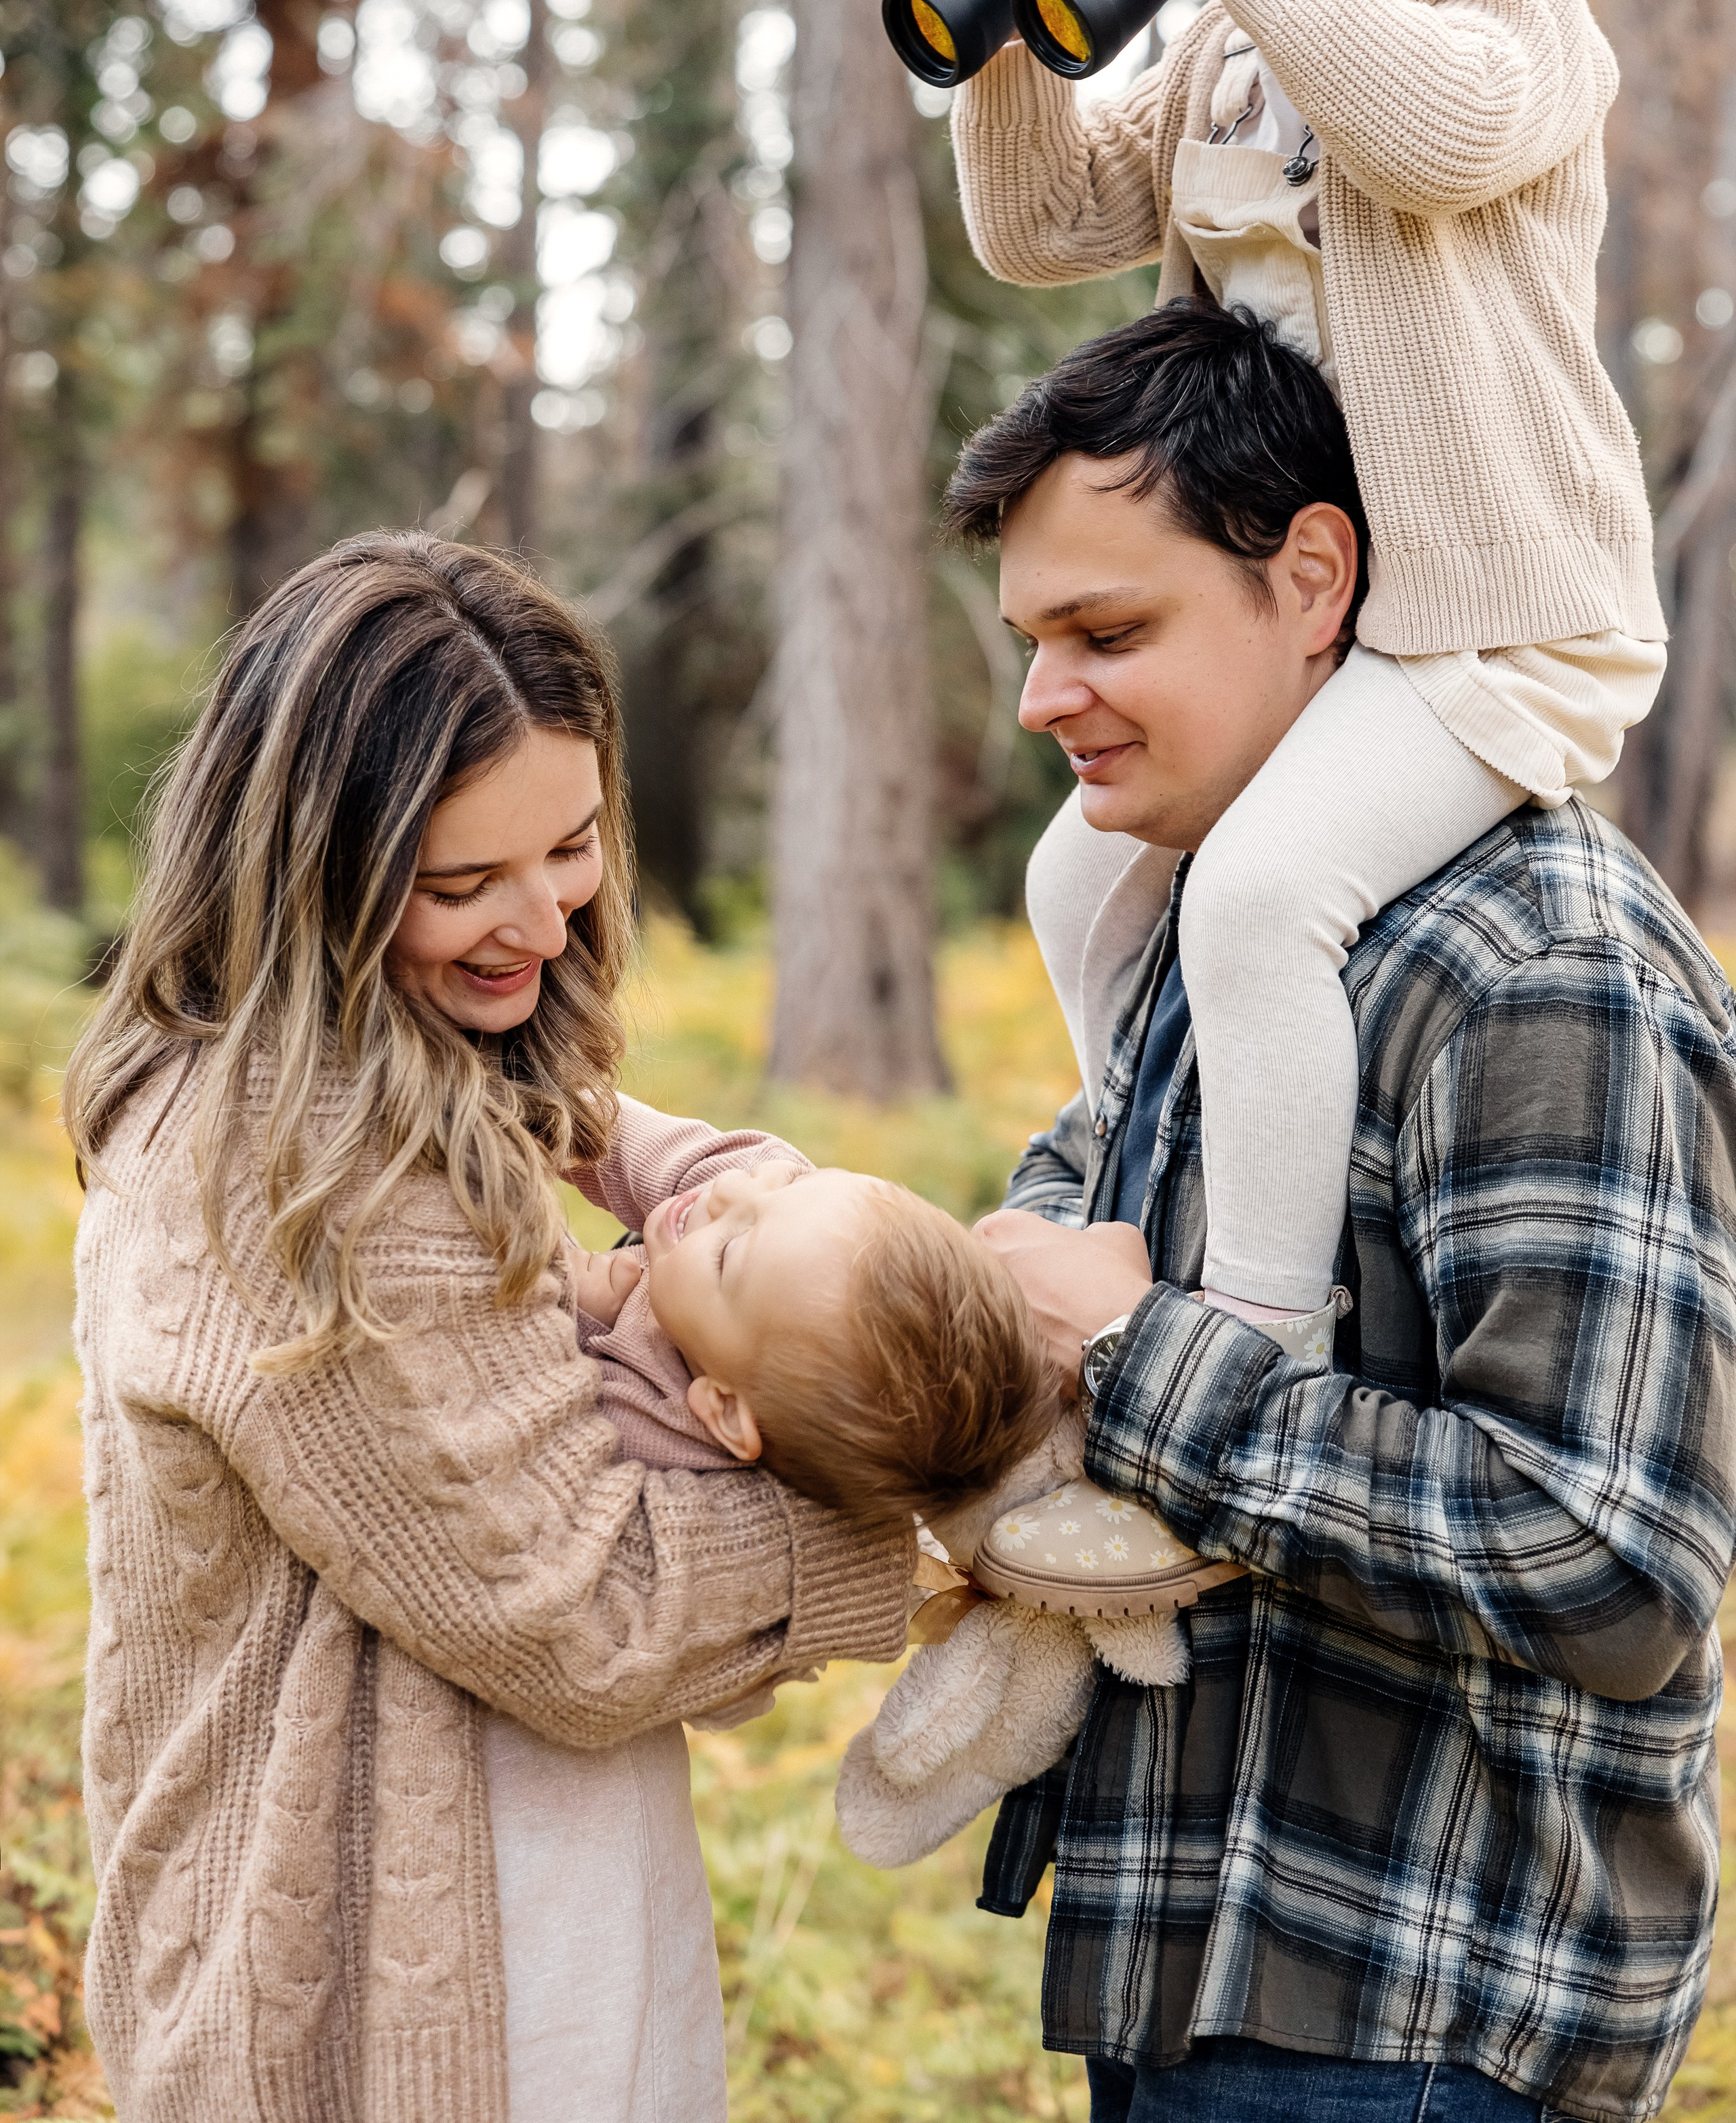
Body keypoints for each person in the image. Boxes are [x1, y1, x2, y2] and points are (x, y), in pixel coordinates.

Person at [941, 297, 1736, 2123]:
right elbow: (1069, 1244)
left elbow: (1608, 1558)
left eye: (1107, 631)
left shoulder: (1540, 965)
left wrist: (1133, 1364)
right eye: (1032, 638)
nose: (1043, 696)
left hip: (1418, 2027)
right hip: (1200, 1977)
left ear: (1315, 581)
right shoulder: (1209, 914)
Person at [63, 531, 915, 2123]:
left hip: (496, 1898)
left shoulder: (399, 1065)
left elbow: (713, 1198)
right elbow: (585, 1619)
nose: (536, 921)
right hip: (408, 1974)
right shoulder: (306, 1164)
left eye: (573, 845)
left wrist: (652, 1156)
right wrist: (910, 1531)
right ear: (317, 868)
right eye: (461, 883)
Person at [951, 0, 1666, 1346]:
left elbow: (1430, 135)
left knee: (1262, 896)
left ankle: (1252, 1333)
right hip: (1323, 618)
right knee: (1076, 880)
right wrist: (1013, 31)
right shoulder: (1234, 59)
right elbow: (1042, 226)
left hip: (1497, 617)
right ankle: (1165, 1173)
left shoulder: (1509, 0)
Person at [571, 1157, 1058, 1518]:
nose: (729, 1185)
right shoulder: (738, 1315)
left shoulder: (636, 1430)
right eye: (791, 1181)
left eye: (730, 1250)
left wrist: (569, 1298)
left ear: (724, 1411)